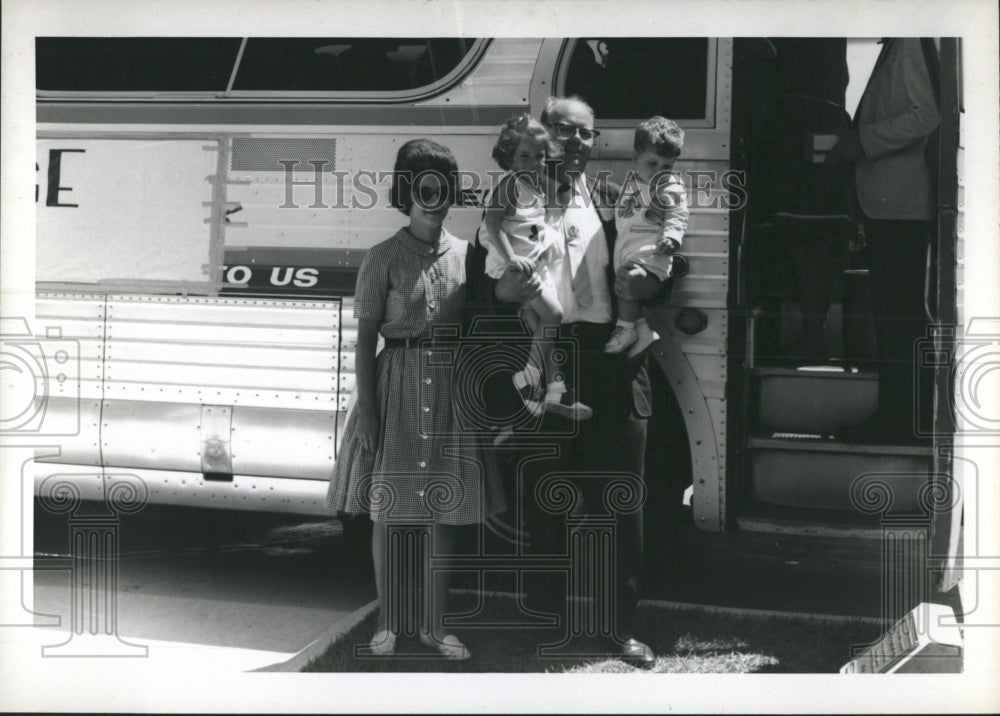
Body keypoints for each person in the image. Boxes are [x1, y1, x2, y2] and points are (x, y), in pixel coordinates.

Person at [468, 96, 672, 664]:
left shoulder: (614, 200)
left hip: (612, 359)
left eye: (586, 132)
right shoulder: (515, 198)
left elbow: (656, 270)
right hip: (548, 359)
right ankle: (542, 621)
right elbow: (479, 279)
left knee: (620, 500)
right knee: (542, 495)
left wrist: (648, 280)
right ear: (542, 136)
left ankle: (620, 626)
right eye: (563, 130)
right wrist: (501, 291)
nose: (576, 142)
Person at [327, 139, 506, 660]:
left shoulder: (469, 256)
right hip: (396, 384)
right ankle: (389, 623)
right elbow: (364, 342)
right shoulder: (381, 258)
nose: (433, 199)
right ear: (407, 193)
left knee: (443, 515)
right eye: (423, 189)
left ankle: (433, 625)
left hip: (451, 389)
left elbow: (486, 322)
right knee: (389, 512)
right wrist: (369, 415)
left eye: (443, 189)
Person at [828, 38, 940, 441]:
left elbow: (924, 115)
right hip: (895, 206)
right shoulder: (904, 41)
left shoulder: (909, 41)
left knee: (897, 321)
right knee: (897, 320)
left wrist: (862, 141)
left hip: (900, 208)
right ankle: (901, 418)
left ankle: (898, 421)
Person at [481, 113, 592, 420]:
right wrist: (511, 259)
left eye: (540, 156)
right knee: (553, 315)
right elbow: (492, 222)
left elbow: (559, 193)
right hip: (516, 267)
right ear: (509, 159)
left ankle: (556, 391)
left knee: (543, 327)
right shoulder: (510, 185)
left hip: (532, 264)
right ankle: (527, 380)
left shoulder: (534, 185)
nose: (533, 163)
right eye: (524, 156)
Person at [604, 116, 688, 355]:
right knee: (624, 284)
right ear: (635, 157)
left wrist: (672, 236)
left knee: (627, 281)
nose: (660, 172)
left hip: (652, 252)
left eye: (667, 166)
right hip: (630, 251)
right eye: (653, 163)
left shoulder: (670, 186)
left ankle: (626, 328)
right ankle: (642, 329)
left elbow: (678, 213)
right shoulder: (631, 185)